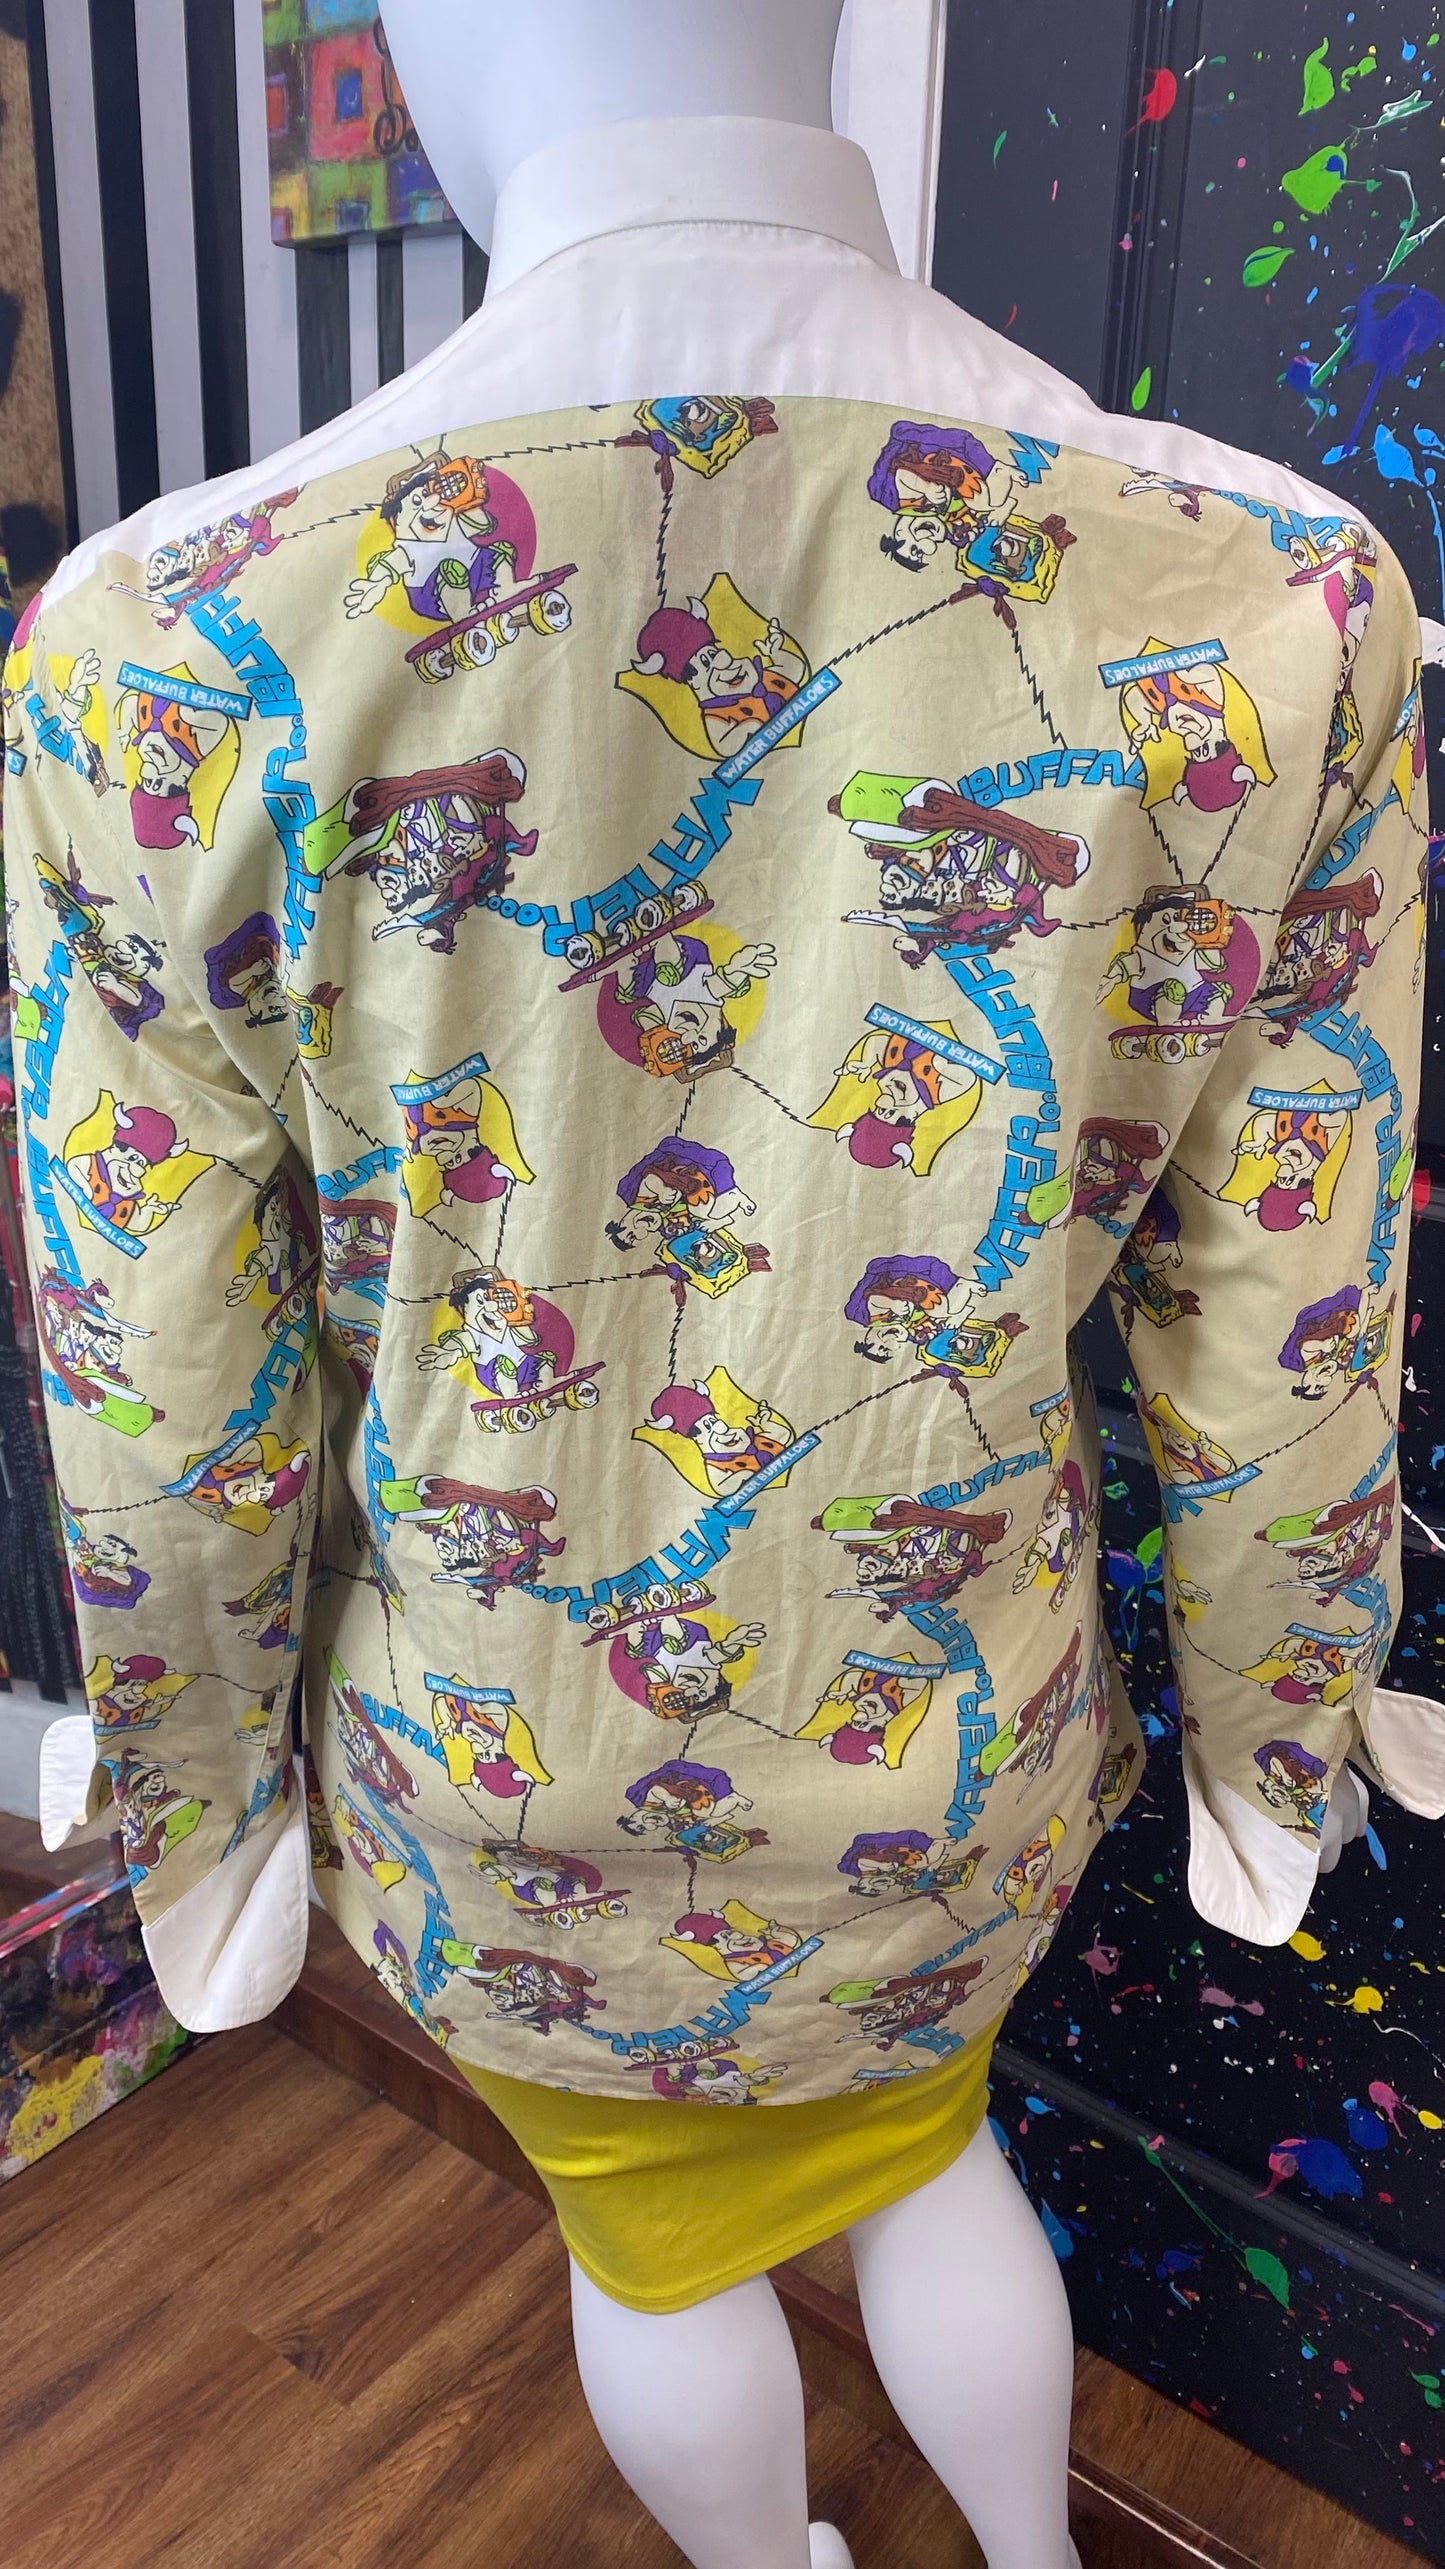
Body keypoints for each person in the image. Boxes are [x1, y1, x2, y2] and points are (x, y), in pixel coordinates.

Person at [12, 8, 1432, 2567]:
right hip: (951, 1745)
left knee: (653, 2262)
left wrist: (198, 1813)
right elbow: (1288, 1324)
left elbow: (159, 1392)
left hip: (501, 1776)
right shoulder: (1274, 595)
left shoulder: (162, 648)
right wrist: (1282, 1726)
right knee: (936, 2161)